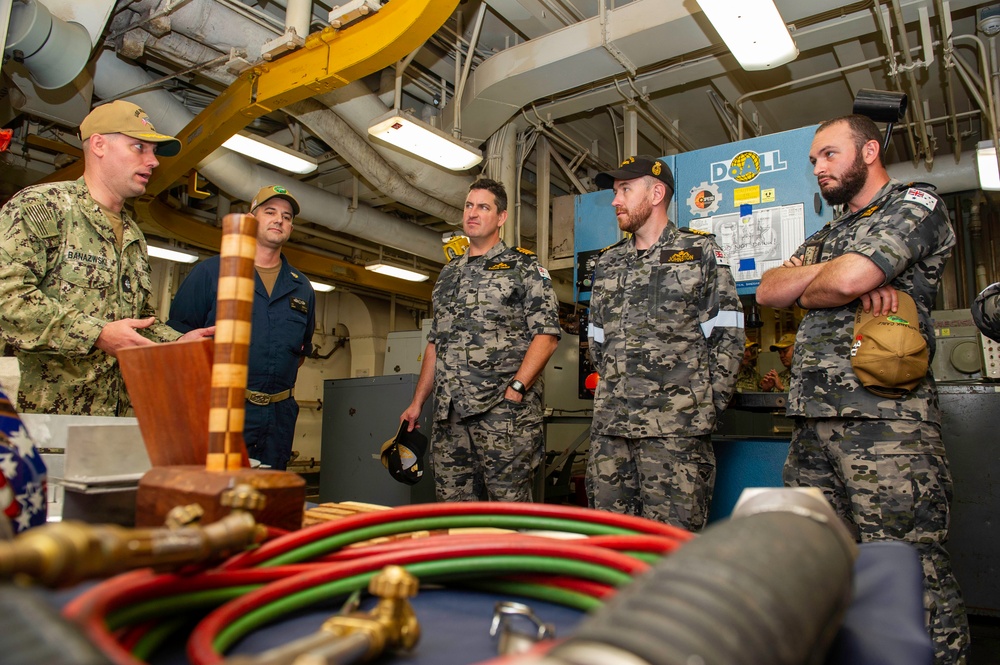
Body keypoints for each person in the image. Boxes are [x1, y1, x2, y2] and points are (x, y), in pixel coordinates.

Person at [755, 114, 969, 664]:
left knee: (908, 566)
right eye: (813, 161)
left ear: (869, 151)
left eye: (829, 155)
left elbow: (848, 282)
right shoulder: (829, 232)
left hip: (886, 424)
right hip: (812, 422)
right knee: (824, 564)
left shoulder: (914, 204)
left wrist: (831, 280)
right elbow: (770, 291)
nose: (819, 168)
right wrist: (831, 278)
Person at [0, 100, 214, 416]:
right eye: (139, 147)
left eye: (153, 152)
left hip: (109, 420)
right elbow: (8, 301)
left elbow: (136, 320)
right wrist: (97, 334)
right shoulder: (42, 208)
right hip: (38, 421)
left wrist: (176, 343)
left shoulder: (133, 236)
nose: (153, 161)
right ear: (99, 144)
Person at [586, 155, 744, 531]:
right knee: (609, 544)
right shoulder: (608, 263)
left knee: (671, 545)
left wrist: (700, 409)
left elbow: (729, 336)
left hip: (676, 433)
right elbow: (596, 341)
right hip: (612, 431)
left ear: (657, 193)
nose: (615, 200)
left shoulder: (699, 252)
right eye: (614, 191)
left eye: (625, 189)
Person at [399, 178, 561, 502]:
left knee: (508, 509)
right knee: (453, 508)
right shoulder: (448, 274)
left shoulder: (523, 267)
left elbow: (547, 334)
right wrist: (418, 402)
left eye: (483, 207)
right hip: (450, 415)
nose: (473, 213)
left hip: (502, 414)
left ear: (501, 217)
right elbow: (436, 343)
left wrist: (517, 389)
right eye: (469, 206)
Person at [168, 185, 315, 470]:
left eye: (286, 216)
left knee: (268, 498)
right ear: (251, 219)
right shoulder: (212, 273)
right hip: (222, 410)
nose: (279, 220)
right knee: (216, 493)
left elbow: (299, 353)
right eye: (270, 212)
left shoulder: (302, 287)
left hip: (278, 417)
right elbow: (177, 339)